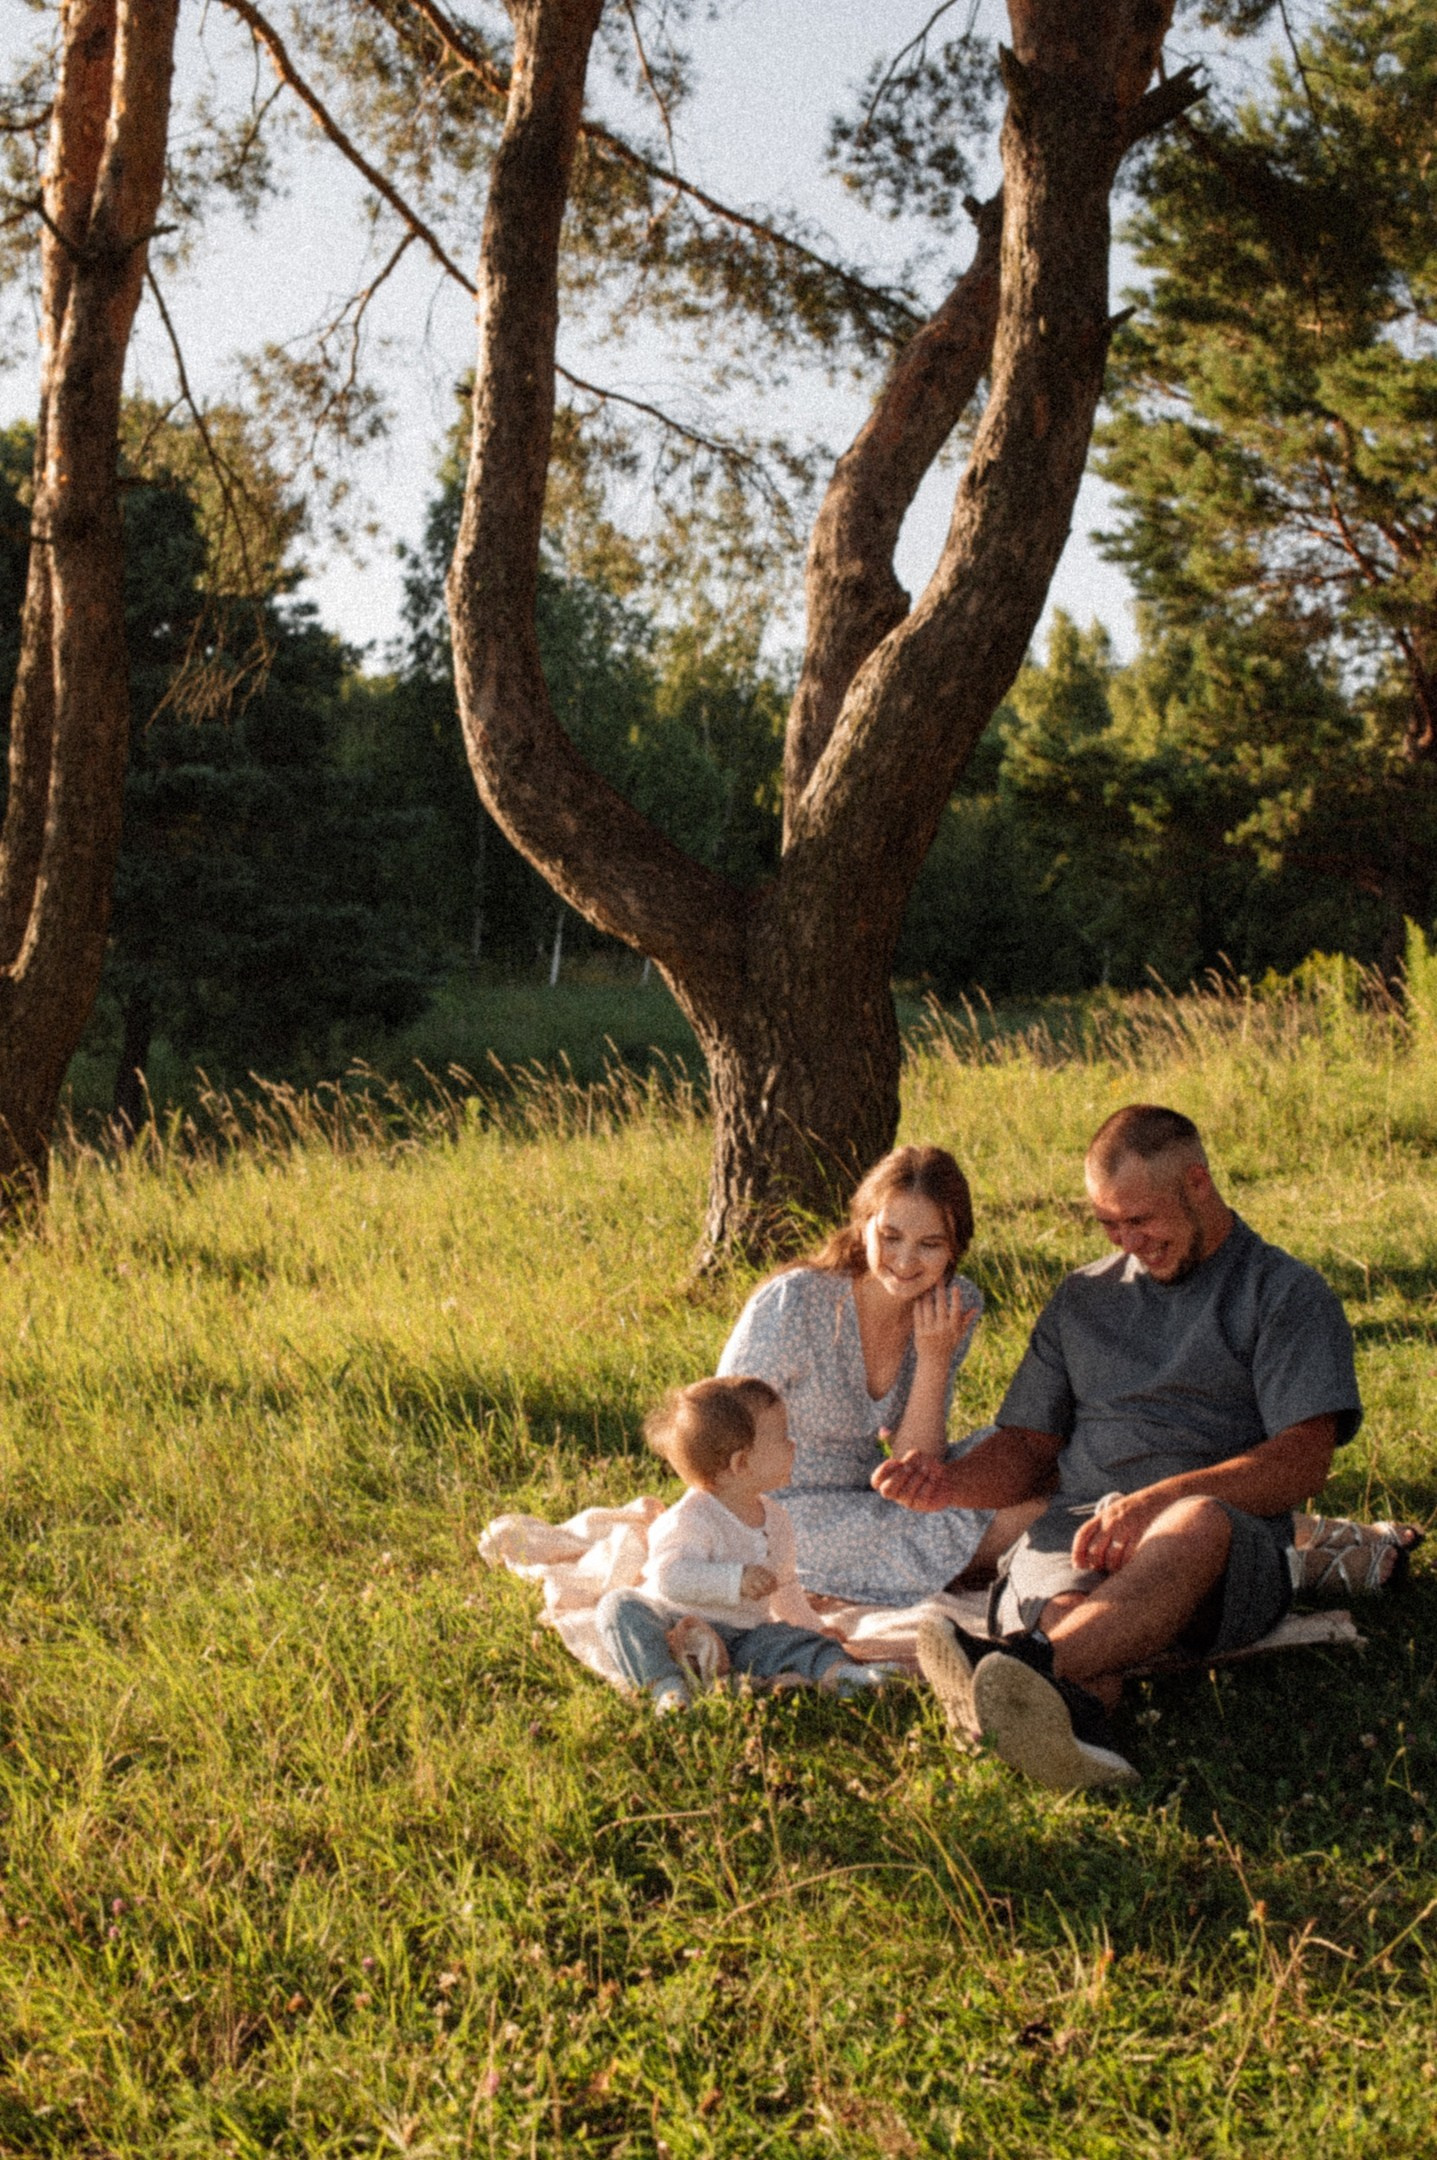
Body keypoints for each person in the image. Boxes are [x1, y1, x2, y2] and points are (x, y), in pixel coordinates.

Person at [875, 1104, 1388, 1792]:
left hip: (1216, 1552)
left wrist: (1157, 1503)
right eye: (1106, 1224)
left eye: (1139, 1219)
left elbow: (1303, 1459)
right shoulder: (1080, 1298)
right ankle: (1074, 1729)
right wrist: (951, 1483)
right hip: (1074, 1541)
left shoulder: (1283, 1294)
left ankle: (1014, 1668)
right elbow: (1029, 1447)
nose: (1125, 1240)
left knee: (1193, 1520)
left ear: (1198, 1185)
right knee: (1073, 1616)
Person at [716, 1146, 1044, 1606]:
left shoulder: (952, 1303)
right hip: (783, 1507)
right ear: (863, 1224)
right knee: (1027, 1517)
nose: (906, 1261)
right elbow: (719, 1431)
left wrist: (933, 1357)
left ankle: (967, 1558)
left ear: (955, 1248)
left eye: (930, 1244)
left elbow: (916, 1464)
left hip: (877, 1491)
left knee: (1014, 1454)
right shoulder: (795, 1304)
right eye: (890, 1236)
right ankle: (970, 1562)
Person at [594, 1375, 888, 1713]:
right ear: (741, 1463)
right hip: (676, 1630)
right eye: (782, 1437)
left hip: (745, 1638)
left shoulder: (775, 1519)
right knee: (618, 1608)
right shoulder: (691, 1518)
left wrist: (815, 1630)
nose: (793, 1444)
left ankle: (843, 1676)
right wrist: (736, 1579)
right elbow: (670, 1578)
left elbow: (786, 1588)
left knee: (795, 1643)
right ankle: (667, 1686)